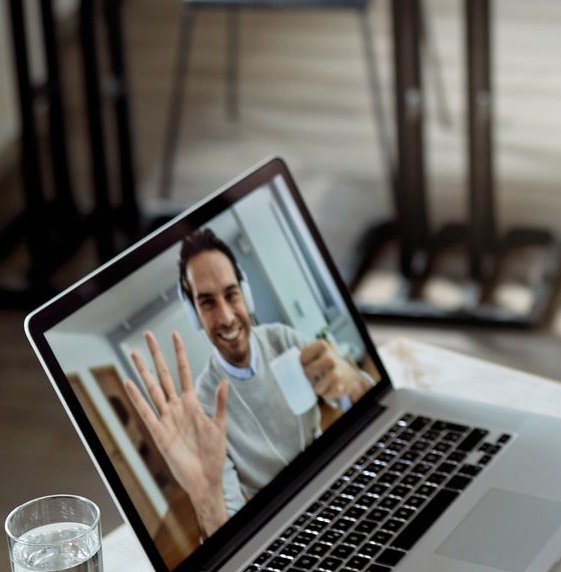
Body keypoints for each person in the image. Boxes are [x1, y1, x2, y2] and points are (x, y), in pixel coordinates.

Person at [123, 228, 373, 539]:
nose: (226, 317)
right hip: (278, 527)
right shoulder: (202, 405)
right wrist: (205, 496)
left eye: (231, 294)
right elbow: (228, 534)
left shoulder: (284, 339)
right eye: (208, 303)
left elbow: (360, 407)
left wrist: (352, 380)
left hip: (334, 482)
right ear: (194, 314)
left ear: (246, 295)